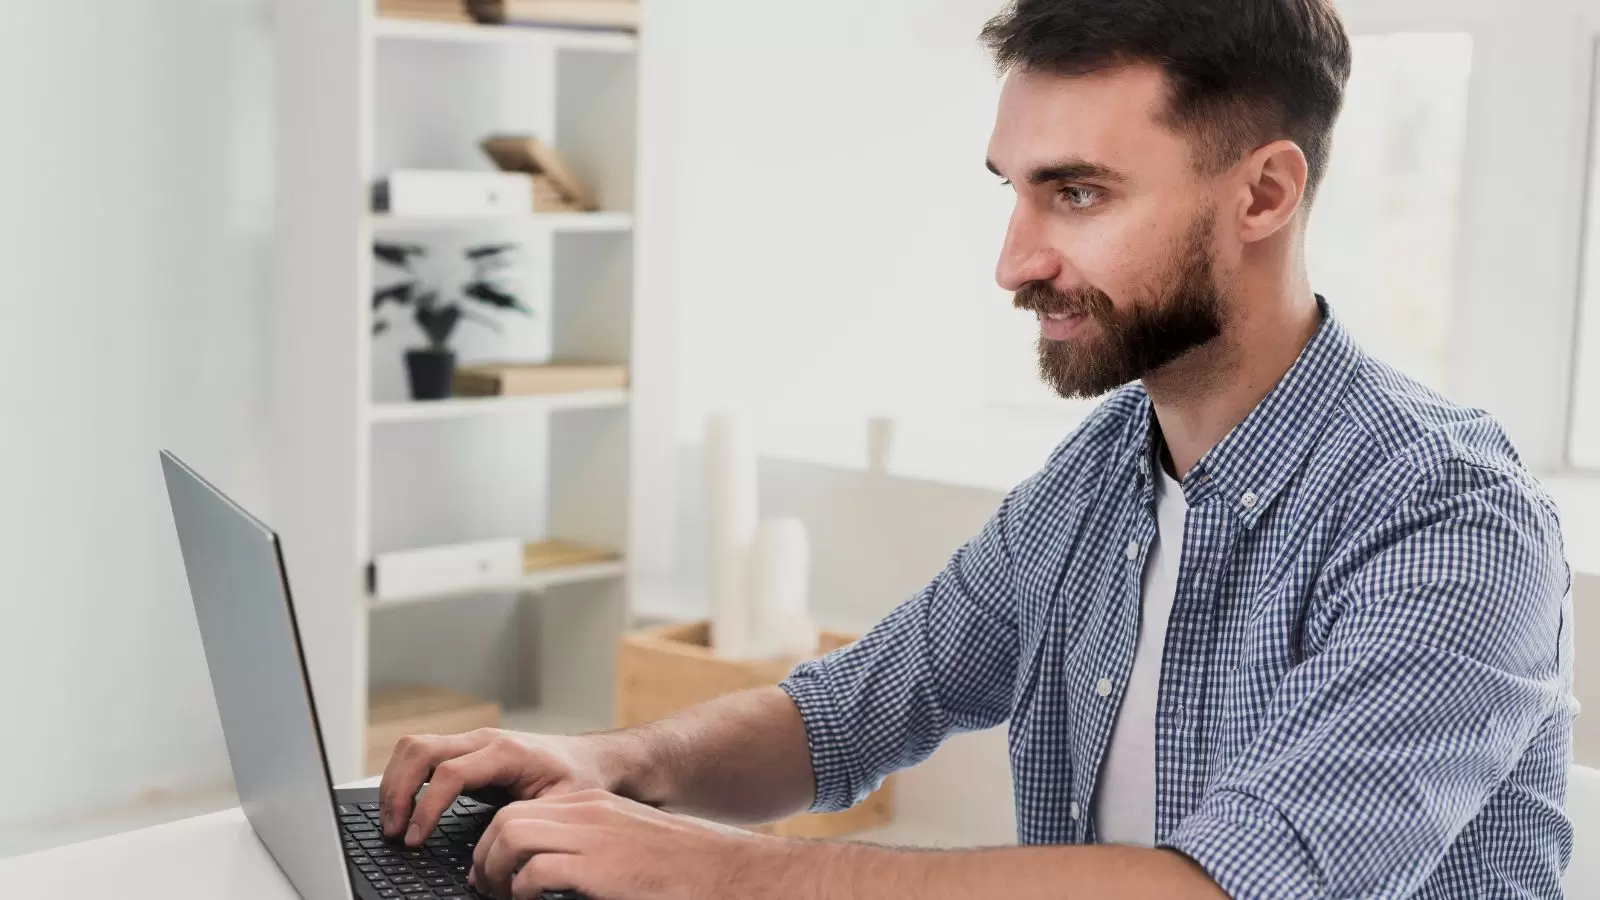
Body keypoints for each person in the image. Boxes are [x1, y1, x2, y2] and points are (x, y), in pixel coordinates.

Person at [378, 0, 1577, 896]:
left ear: (1262, 195)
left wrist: (722, 873)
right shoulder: (1097, 475)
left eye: (1078, 194)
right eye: (1014, 190)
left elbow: (1232, 887)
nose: (1014, 260)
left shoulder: (1448, 519)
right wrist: (607, 764)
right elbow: (850, 712)